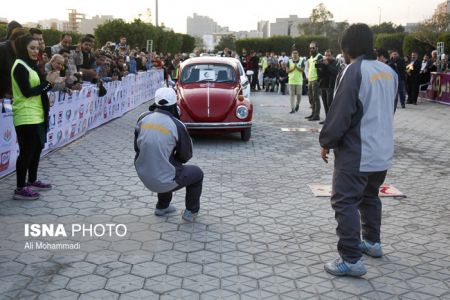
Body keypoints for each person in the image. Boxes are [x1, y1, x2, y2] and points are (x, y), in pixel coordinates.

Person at [319, 23, 398, 277]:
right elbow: (389, 109)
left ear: (346, 47)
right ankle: (372, 243)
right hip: (382, 151)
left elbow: (341, 111)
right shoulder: (389, 72)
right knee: (370, 197)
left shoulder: (354, 70)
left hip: (357, 152)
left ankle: (351, 259)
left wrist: (326, 141)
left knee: (344, 201)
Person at [134, 87, 204, 222]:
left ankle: (162, 206)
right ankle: (191, 211)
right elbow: (185, 156)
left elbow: (137, 148)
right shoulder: (177, 125)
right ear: (174, 104)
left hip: (143, 174)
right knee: (197, 173)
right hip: (162, 180)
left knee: (163, 163)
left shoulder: (142, 119)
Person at [11, 34, 60, 200]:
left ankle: (32, 180)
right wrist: (48, 83)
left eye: (37, 48)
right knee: (26, 152)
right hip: (25, 115)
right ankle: (20, 187)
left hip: (37, 114)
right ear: (23, 48)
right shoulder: (19, 66)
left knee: (36, 150)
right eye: (32, 48)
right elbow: (27, 92)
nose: (35, 51)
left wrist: (49, 82)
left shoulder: (30, 65)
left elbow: (40, 89)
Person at [316, 49, 340, 123]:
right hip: (323, 84)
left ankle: (332, 120)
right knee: (325, 103)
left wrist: (327, 65)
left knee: (330, 103)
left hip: (331, 85)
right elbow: (321, 74)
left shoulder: (336, 62)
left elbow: (335, 72)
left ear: (332, 55)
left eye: (329, 55)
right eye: (326, 55)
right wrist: (320, 69)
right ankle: (327, 119)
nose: (327, 57)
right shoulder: (324, 62)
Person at [305, 42, 323, 121]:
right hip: (310, 79)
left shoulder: (319, 56)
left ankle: (316, 115)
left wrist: (319, 79)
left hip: (316, 80)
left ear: (317, 48)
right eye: (310, 48)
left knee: (316, 98)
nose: (311, 49)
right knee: (311, 98)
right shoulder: (311, 58)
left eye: (313, 48)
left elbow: (321, 69)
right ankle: (313, 113)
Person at [286, 49, 304, 113]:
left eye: (296, 53)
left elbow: (303, 70)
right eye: (293, 53)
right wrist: (293, 68)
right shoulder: (289, 61)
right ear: (292, 54)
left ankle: (297, 104)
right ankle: (292, 108)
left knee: (299, 95)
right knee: (292, 95)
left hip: (299, 81)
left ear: (298, 54)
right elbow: (287, 71)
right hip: (291, 81)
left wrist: (297, 68)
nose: (295, 54)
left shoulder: (302, 61)